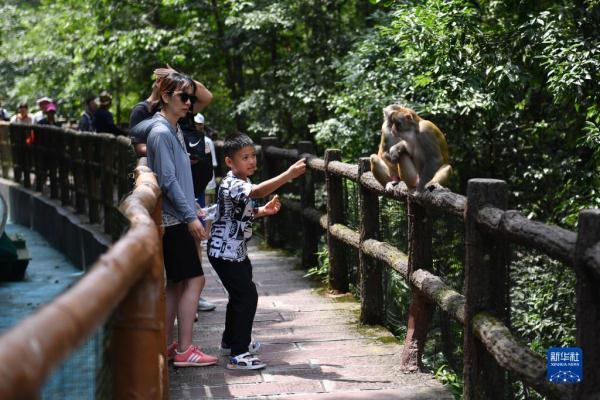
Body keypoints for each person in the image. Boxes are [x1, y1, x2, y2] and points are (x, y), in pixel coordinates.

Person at [140, 70, 218, 367]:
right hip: (174, 222)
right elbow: (169, 181)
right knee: (194, 281)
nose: (189, 102)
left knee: (175, 284)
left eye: (190, 97)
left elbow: (178, 180)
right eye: (183, 97)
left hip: (179, 215)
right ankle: (185, 349)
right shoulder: (161, 133)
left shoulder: (171, 128)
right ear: (165, 98)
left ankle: (167, 346)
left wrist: (194, 208)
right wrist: (189, 216)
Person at [208, 133, 306, 370]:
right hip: (225, 253)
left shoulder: (238, 182)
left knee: (240, 296)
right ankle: (239, 353)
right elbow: (258, 191)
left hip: (235, 251)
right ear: (230, 162)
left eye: (253, 156)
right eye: (245, 157)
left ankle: (230, 342)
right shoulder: (233, 183)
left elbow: (239, 212)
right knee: (247, 296)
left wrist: (263, 211)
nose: (251, 161)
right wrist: (289, 175)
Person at [129, 65, 213, 157]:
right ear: (159, 82)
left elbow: (207, 96)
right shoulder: (141, 110)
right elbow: (141, 149)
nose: (188, 102)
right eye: (182, 96)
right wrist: (178, 154)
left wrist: (178, 75)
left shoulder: (183, 106)